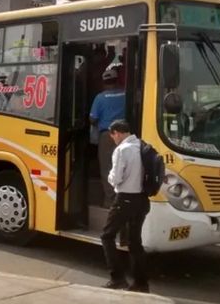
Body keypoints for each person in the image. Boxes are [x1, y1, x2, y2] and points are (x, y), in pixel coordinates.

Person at [100, 120, 150, 293]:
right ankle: (141, 284)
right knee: (135, 242)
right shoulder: (142, 146)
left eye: (112, 135)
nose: (113, 139)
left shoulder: (122, 150)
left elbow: (117, 178)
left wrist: (109, 177)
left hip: (125, 199)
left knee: (107, 236)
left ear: (117, 133)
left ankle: (117, 278)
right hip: (142, 201)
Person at [90, 68, 126, 208]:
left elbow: (93, 118)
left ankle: (110, 201)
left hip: (107, 135)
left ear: (104, 82)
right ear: (117, 81)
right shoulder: (125, 94)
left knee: (107, 168)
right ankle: (122, 198)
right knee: (123, 167)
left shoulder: (100, 97)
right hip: (124, 135)